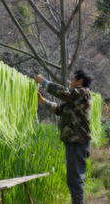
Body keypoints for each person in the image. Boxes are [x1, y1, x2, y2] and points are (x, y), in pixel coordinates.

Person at [35, 70, 93, 204]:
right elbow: (59, 109)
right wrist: (43, 101)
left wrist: (43, 82)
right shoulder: (74, 98)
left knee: (75, 180)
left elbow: (64, 93)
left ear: (80, 81)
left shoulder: (82, 93)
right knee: (74, 179)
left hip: (78, 142)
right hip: (75, 142)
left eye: (72, 80)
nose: (70, 83)